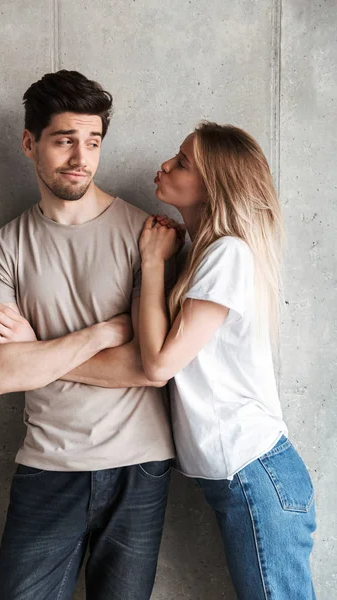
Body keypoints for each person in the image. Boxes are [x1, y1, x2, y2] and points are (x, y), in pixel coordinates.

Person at [0, 69, 174, 600]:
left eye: (93, 141)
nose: (81, 157)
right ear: (29, 143)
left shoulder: (145, 236)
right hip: (48, 463)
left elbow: (147, 366)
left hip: (139, 466)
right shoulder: (6, 247)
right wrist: (106, 331)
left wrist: (34, 351)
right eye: (64, 141)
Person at [138, 121, 316, 599]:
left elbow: (158, 365)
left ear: (213, 185)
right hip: (245, 477)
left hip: (255, 472)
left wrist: (153, 263)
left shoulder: (228, 254)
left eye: (182, 162)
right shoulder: (203, 253)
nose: (166, 166)